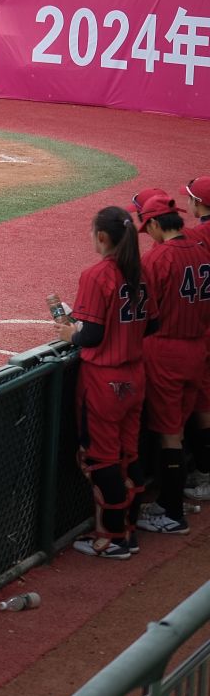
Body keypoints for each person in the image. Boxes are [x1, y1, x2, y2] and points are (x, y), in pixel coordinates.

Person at [51, 205, 151, 559]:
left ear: (103, 237)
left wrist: (71, 334)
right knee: (129, 454)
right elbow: (152, 324)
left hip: (105, 382)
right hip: (135, 376)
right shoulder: (140, 271)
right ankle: (130, 529)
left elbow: (91, 335)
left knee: (101, 460)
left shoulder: (96, 275)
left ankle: (113, 538)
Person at [132, 189, 210, 534]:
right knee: (177, 428)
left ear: (153, 224)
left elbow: (141, 311)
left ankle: (171, 512)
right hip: (197, 349)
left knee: (169, 434)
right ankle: (172, 501)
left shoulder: (157, 259)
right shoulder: (201, 250)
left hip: (165, 353)